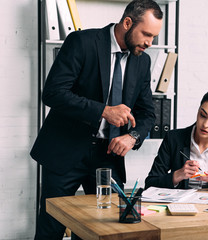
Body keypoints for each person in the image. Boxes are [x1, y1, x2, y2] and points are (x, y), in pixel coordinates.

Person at [30, 0, 163, 239]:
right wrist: (104, 111)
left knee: (104, 230)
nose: (149, 43)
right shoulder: (82, 42)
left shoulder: (142, 61)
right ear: (127, 22)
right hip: (65, 151)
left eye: (154, 37)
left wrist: (132, 137)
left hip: (107, 157)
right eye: (146, 34)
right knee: (51, 229)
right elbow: (53, 93)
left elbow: (147, 114)